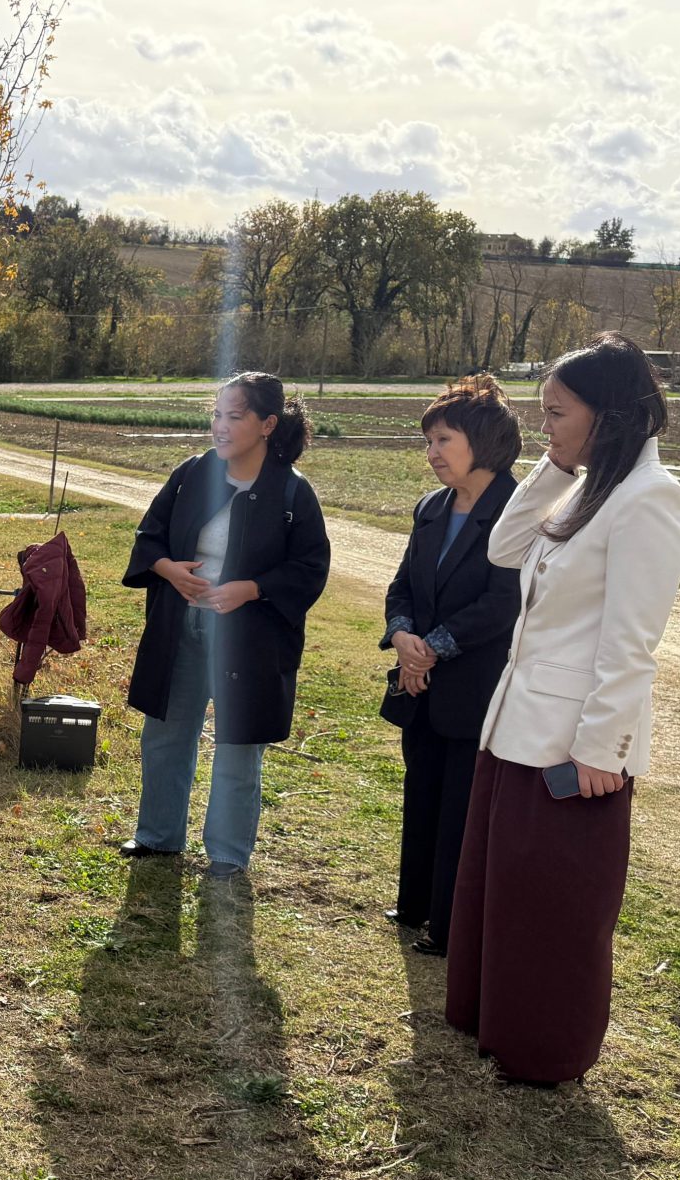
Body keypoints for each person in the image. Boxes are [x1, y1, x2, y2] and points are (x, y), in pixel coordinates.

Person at [446, 332, 680, 1083]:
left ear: (608, 414)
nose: (543, 426)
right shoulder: (589, 487)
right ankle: (494, 1022)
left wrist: (600, 748)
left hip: (571, 747)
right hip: (518, 726)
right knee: (505, 890)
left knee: (556, 907)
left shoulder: (650, 498)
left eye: (556, 414)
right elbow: (504, 548)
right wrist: (555, 465)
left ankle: (544, 1049)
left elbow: (632, 642)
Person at [119, 373, 331, 877]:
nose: (220, 426)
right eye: (216, 414)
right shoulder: (192, 473)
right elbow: (149, 535)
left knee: (238, 746)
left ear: (267, 425)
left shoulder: (293, 493)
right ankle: (158, 837)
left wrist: (252, 589)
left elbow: (310, 568)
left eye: (235, 416)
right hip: (180, 626)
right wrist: (167, 569)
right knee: (166, 734)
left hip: (250, 640)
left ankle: (228, 855)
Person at [381, 375, 523, 956]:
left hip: (476, 687)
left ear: (482, 441)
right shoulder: (431, 508)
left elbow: (503, 602)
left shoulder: (519, 511)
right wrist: (402, 637)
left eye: (443, 440)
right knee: (422, 791)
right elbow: (402, 585)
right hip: (420, 685)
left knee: (461, 808)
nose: (432, 452)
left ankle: (448, 925)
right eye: (429, 441)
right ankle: (414, 904)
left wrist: (432, 647)